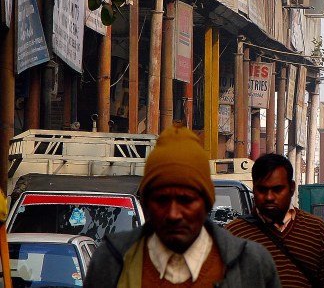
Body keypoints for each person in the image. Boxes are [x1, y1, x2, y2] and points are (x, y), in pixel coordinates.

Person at [84, 123, 281, 288]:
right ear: (145, 204)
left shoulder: (251, 265)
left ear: (206, 202)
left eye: (186, 200)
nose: (173, 214)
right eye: (161, 200)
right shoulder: (111, 261)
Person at [226, 153, 324, 287]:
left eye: (277, 189)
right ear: (254, 189)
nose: (269, 197)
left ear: (291, 188)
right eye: (262, 189)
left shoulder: (318, 232)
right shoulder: (233, 236)